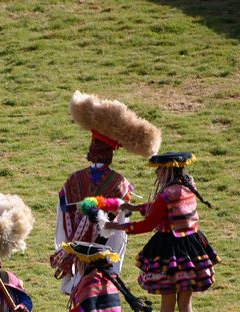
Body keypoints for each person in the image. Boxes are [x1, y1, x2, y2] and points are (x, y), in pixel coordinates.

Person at [105, 151, 220, 312]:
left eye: (159, 169)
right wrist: (136, 207)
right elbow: (161, 210)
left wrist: (119, 226)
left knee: (168, 303)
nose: (156, 173)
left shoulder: (166, 193)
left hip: (169, 250)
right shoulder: (187, 187)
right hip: (192, 248)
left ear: (166, 170)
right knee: (185, 303)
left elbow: (149, 224)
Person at [52, 91, 161, 294]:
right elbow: (121, 228)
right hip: (103, 254)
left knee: (78, 294)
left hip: (74, 251)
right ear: (111, 154)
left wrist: (67, 245)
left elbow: (62, 217)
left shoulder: (73, 180)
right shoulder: (120, 184)